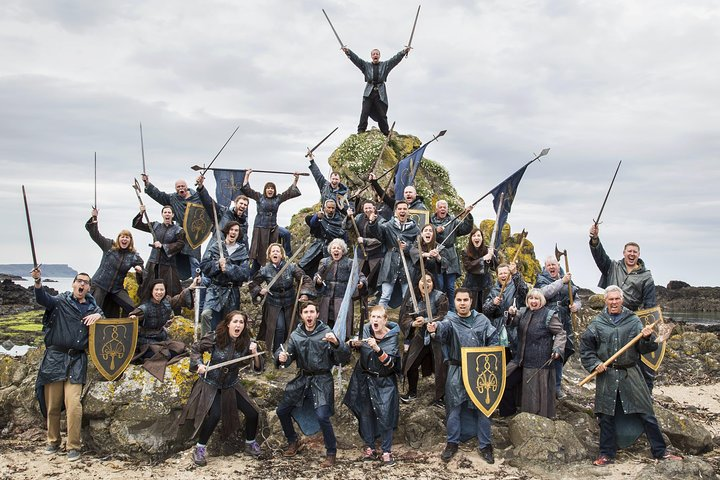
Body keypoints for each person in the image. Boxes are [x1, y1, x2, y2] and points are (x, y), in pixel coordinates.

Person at [580, 286, 682, 466]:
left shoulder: (633, 321)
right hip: (607, 373)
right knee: (606, 415)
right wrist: (595, 364)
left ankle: (660, 451)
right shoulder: (597, 323)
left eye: (616, 299)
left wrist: (646, 338)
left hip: (631, 372)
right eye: (610, 299)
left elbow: (645, 349)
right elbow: (586, 349)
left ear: (622, 300)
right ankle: (606, 454)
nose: (613, 302)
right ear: (605, 301)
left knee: (646, 412)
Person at [31, 268, 103, 462]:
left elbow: (104, 326)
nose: (82, 284)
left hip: (77, 360)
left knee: (73, 405)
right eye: (79, 281)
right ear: (73, 284)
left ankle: (73, 446)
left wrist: (99, 317)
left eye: (86, 282)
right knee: (53, 405)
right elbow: (43, 299)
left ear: (89, 287)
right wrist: (38, 282)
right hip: (55, 357)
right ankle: (53, 441)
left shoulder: (93, 308)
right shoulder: (60, 301)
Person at [179, 311, 263, 466]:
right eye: (235, 322)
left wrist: (255, 353)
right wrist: (199, 365)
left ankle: (250, 443)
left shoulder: (246, 342)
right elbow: (196, 348)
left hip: (231, 385)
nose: (238, 325)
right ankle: (199, 449)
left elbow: (258, 367)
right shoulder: (215, 337)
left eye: (241, 322)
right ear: (228, 324)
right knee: (214, 415)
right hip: (211, 383)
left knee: (253, 413)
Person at [427, 288, 499, 465]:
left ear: (471, 301)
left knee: (483, 406)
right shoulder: (450, 320)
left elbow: (494, 342)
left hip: (480, 371)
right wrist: (434, 328)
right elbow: (442, 331)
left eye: (465, 300)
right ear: (455, 301)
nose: (462, 303)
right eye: (459, 300)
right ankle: (452, 443)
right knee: (454, 408)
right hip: (456, 369)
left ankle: (485, 445)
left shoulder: (482, 320)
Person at [275, 301, 351, 468]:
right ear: (301, 315)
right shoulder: (296, 335)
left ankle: (331, 452)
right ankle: (293, 441)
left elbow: (343, 359)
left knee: (323, 416)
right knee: (282, 411)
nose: (309, 315)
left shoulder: (327, 332)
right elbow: (287, 354)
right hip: (302, 379)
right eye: (305, 312)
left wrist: (337, 343)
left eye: (312, 312)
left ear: (317, 314)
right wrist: (281, 357)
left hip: (322, 380)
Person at [589, 224, 657, 390]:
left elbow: (650, 304)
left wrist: (648, 326)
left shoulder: (646, 276)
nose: (632, 254)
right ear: (624, 253)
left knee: (639, 357)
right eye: (629, 251)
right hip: (609, 316)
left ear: (639, 255)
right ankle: (610, 391)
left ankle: (646, 392)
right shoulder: (612, 266)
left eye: (635, 251)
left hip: (631, 318)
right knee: (607, 354)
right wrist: (595, 239)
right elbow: (600, 256)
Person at [344, 306, 401, 466]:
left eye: (379, 317)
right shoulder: (365, 332)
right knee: (366, 413)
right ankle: (370, 447)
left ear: (385, 320)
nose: (375, 320)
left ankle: (386, 451)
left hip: (385, 381)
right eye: (373, 317)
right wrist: (352, 343)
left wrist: (377, 348)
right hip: (365, 379)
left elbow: (390, 364)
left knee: (386, 415)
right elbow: (350, 345)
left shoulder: (392, 337)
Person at [502, 289, 566, 418]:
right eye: (531, 298)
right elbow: (511, 323)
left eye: (536, 299)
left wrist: (557, 349)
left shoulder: (549, 315)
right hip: (519, 360)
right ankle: (509, 415)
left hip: (539, 362)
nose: (533, 301)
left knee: (534, 399)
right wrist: (511, 314)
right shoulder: (523, 312)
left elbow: (561, 333)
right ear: (527, 300)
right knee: (504, 381)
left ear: (541, 300)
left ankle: (534, 422)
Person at [249, 243, 314, 354]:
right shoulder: (265, 270)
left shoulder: (291, 267)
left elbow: (305, 279)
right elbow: (253, 283)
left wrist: (304, 294)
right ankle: (277, 353)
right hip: (273, 303)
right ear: (269, 255)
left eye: (277, 251)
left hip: (290, 301)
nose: (275, 253)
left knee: (292, 327)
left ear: (281, 254)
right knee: (279, 328)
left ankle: (292, 351)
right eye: (272, 251)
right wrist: (260, 290)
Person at [129, 278, 197, 381]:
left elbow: (179, 299)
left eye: (162, 290)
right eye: (156, 290)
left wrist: (191, 288)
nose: (159, 292)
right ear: (151, 291)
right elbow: (130, 320)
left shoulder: (167, 302)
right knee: (165, 354)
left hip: (162, 338)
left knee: (180, 349)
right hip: (147, 343)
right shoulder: (144, 308)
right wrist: (133, 318)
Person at [141, 175, 206, 279]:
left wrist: (201, 185)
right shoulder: (173, 198)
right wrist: (147, 184)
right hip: (178, 234)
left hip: (193, 235)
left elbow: (208, 206)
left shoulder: (197, 197)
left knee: (194, 262)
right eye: (178, 187)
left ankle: (197, 287)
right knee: (174, 261)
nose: (181, 188)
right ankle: (175, 284)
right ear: (176, 189)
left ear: (186, 187)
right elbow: (159, 195)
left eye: (182, 186)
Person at [535, 256, 581, 399]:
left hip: (564, 320)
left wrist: (576, 306)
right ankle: (549, 388)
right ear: (545, 267)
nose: (551, 267)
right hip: (548, 320)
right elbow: (544, 293)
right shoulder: (541, 279)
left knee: (562, 353)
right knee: (548, 353)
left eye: (553, 264)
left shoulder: (566, 279)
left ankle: (557, 387)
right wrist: (562, 281)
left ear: (558, 265)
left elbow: (577, 298)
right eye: (548, 265)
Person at [399, 274, 449, 406]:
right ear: (418, 283)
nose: (426, 284)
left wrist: (427, 320)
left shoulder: (440, 297)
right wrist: (413, 324)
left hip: (437, 335)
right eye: (423, 281)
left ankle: (440, 398)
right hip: (421, 335)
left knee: (441, 367)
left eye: (429, 281)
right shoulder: (413, 299)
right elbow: (405, 318)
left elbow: (443, 316)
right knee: (410, 363)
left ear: (433, 283)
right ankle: (412, 392)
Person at [85, 207, 143, 317]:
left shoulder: (133, 256)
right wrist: (94, 218)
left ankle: (126, 328)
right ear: (119, 238)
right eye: (122, 237)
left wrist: (139, 271)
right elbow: (95, 235)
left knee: (131, 308)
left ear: (130, 240)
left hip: (116, 289)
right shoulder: (109, 246)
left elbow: (141, 270)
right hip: (99, 285)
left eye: (127, 237)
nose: (124, 239)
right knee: (94, 311)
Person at [341, 46, 411, 136]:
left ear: (379, 56)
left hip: (380, 92)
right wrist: (348, 52)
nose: (375, 55)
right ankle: (361, 131)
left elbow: (395, 59)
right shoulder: (366, 66)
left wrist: (403, 52)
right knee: (364, 112)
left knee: (382, 114)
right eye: (373, 54)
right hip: (369, 92)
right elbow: (356, 60)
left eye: (377, 54)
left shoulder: (385, 65)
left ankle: (385, 132)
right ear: (371, 56)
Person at [241, 169, 301, 271]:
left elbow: (289, 192)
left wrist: (296, 179)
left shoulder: (277, 199)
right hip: (260, 229)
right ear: (265, 190)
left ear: (274, 190)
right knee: (259, 254)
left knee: (286, 233)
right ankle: (252, 276)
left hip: (273, 228)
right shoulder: (259, 197)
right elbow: (247, 190)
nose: (270, 190)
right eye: (268, 188)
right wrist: (247, 174)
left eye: (272, 188)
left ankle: (288, 256)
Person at [367, 200, 420, 308]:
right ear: (395, 211)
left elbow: (418, 248)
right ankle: (379, 319)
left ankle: (407, 321)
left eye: (404, 209)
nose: (402, 211)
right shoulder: (388, 226)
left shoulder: (415, 229)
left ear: (408, 211)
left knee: (407, 297)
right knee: (385, 296)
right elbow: (378, 233)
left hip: (407, 266)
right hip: (390, 263)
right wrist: (372, 223)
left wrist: (407, 248)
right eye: (400, 209)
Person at [200, 221, 251, 330]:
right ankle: (206, 344)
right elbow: (204, 266)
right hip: (215, 290)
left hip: (232, 292)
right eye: (231, 229)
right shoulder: (216, 247)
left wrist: (228, 268)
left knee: (229, 324)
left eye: (236, 230)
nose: (233, 232)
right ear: (227, 231)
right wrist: (217, 264)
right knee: (206, 315)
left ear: (239, 233)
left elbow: (245, 274)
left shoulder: (242, 251)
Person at [314, 238, 366, 341]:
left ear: (343, 251)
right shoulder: (324, 262)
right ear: (330, 250)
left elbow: (361, 276)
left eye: (339, 248)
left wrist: (361, 282)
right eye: (334, 248)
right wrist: (318, 280)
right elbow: (317, 275)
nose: (336, 250)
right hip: (326, 299)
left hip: (343, 300)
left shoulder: (349, 263)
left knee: (342, 327)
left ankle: (341, 347)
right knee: (325, 325)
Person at [132, 205, 185, 305]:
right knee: (146, 290)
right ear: (162, 214)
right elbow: (137, 224)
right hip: (153, 264)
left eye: (169, 212)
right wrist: (141, 213)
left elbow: (180, 244)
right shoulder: (155, 226)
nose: (167, 214)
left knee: (169, 293)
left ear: (172, 215)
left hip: (168, 266)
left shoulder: (178, 230)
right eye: (165, 212)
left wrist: (163, 246)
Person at [430, 201, 474, 308]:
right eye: (440, 207)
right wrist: (435, 231)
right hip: (436, 256)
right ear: (436, 209)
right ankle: (439, 309)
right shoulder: (430, 221)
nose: (442, 209)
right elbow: (424, 234)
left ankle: (452, 310)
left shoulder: (453, 221)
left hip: (451, 257)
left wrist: (468, 215)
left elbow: (466, 229)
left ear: (447, 209)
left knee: (450, 287)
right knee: (438, 286)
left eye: (444, 207)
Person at [482, 262, 528, 357]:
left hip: (515, 327)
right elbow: (485, 311)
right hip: (498, 329)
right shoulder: (493, 290)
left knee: (515, 359)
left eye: (505, 273)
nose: (503, 275)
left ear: (510, 274)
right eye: (500, 273)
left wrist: (516, 274)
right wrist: (493, 304)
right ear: (497, 275)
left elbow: (524, 292)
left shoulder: (516, 286)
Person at [196, 175, 250, 250]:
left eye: (245, 205)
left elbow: (244, 240)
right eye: (241, 203)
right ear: (235, 203)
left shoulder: (244, 222)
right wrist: (201, 187)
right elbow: (208, 202)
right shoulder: (223, 212)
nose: (243, 206)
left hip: (231, 254)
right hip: (216, 250)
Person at [298, 199, 347, 277]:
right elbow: (313, 223)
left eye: (333, 208)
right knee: (304, 265)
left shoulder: (340, 220)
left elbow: (343, 236)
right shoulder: (320, 216)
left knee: (327, 270)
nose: (331, 210)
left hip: (331, 248)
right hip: (318, 246)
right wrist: (317, 217)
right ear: (324, 208)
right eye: (329, 207)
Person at [352, 200, 385, 302]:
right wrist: (349, 217)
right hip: (361, 253)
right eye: (366, 208)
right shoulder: (358, 218)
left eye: (370, 208)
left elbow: (381, 239)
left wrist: (365, 241)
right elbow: (347, 226)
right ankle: (359, 296)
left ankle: (376, 297)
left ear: (374, 208)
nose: (368, 210)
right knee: (360, 274)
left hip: (375, 253)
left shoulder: (381, 220)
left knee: (375, 276)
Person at [461, 227, 497, 312]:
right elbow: (468, 266)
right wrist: (483, 259)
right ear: (471, 238)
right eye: (474, 236)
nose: (476, 238)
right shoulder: (466, 251)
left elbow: (495, 267)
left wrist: (492, 256)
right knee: (471, 309)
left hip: (485, 284)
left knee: (485, 308)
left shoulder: (488, 250)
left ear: (482, 238)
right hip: (471, 283)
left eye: (478, 235)